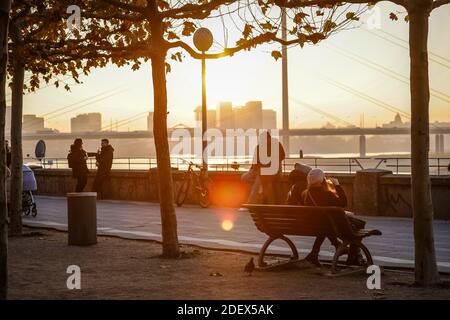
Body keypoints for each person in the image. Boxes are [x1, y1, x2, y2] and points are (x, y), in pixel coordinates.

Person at [297, 168, 365, 267]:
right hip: (330, 226)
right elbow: (343, 202)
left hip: (314, 226)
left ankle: (315, 253)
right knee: (360, 224)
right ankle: (352, 256)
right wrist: (337, 185)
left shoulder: (304, 194)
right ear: (322, 180)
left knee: (323, 224)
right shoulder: (326, 194)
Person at [253, 131, 286, 204]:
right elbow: (283, 156)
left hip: (265, 174)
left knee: (264, 189)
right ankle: (278, 204)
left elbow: (256, 162)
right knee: (276, 189)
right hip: (276, 173)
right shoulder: (277, 144)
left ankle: (264, 203)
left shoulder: (259, 147)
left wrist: (255, 170)